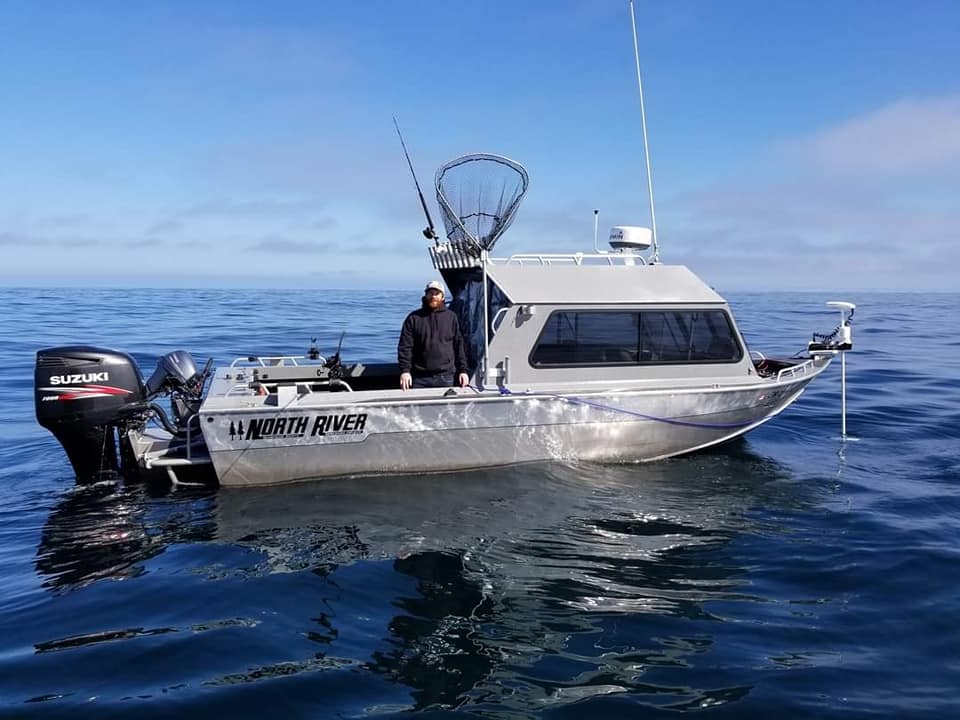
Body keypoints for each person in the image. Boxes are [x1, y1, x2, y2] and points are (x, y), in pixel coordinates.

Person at [398, 280, 469, 390]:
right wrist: (405, 371)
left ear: (442, 297)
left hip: (446, 376)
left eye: (437, 294)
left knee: (446, 408)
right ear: (425, 295)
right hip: (420, 377)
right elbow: (405, 347)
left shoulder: (451, 317)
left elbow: (458, 345)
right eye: (430, 293)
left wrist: (463, 371)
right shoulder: (413, 318)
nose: (433, 296)